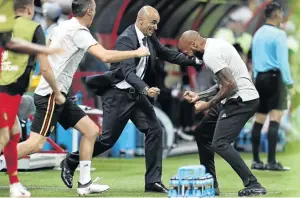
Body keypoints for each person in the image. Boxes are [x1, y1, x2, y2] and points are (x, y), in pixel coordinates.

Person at [60, 5, 202, 193]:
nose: (156, 28)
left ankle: (152, 181)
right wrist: (145, 89)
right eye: (153, 23)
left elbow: (165, 53)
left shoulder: (149, 36)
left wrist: (195, 61)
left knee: (155, 130)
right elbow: (127, 72)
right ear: (140, 19)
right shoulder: (126, 39)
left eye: (157, 24)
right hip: (118, 95)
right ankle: (71, 160)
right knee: (107, 140)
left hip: (135, 95)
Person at [15, 0, 149, 196]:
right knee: (35, 144)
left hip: (60, 94)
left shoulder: (61, 26)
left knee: (91, 131)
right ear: (90, 11)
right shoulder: (79, 32)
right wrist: (137, 52)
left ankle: (85, 184)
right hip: (52, 95)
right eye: (94, 9)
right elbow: (104, 56)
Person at [178, 30, 266, 196]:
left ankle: (254, 184)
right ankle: (210, 184)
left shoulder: (210, 54)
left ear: (194, 44)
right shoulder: (215, 44)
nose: (188, 56)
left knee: (220, 143)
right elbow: (222, 84)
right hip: (233, 98)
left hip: (241, 100)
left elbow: (230, 85)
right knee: (202, 133)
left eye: (187, 51)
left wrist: (207, 105)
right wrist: (200, 95)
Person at [0, 0, 66, 197]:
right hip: (7, 89)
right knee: (5, 135)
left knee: (13, 132)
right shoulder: (34, 28)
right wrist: (58, 91)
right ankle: (14, 185)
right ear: (30, 9)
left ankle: (14, 185)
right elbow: (45, 68)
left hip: (10, 89)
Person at [250, 2, 294, 171]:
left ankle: (255, 160)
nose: (282, 17)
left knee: (259, 119)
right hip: (275, 78)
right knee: (275, 119)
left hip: (260, 78)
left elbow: (254, 60)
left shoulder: (257, 33)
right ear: (277, 15)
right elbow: (283, 62)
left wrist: (255, 80)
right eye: (282, 14)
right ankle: (271, 161)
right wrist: (289, 84)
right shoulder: (279, 34)